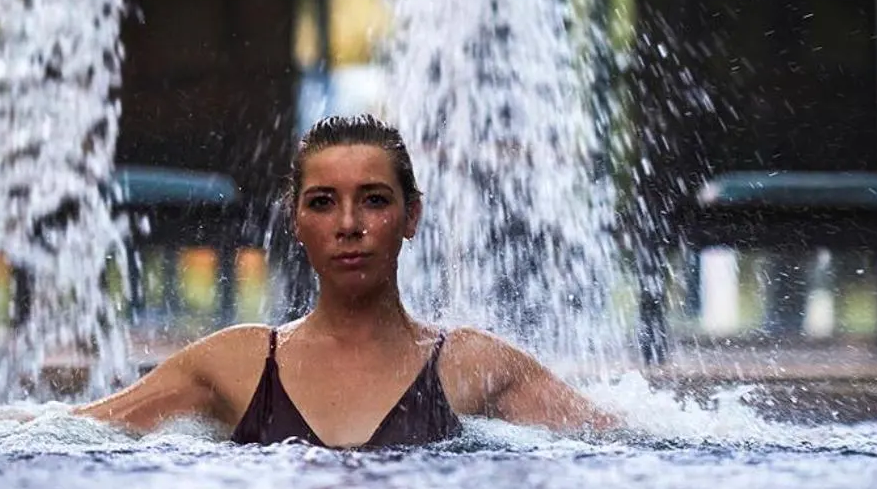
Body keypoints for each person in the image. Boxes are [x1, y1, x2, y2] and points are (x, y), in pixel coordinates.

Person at [75, 114, 618, 446]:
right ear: (296, 221)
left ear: (411, 217)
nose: (349, 225)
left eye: (375, 201)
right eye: (323, 203)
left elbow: (631, 440)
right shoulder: (234, 364)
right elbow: (68, 430)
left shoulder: (472, 365)